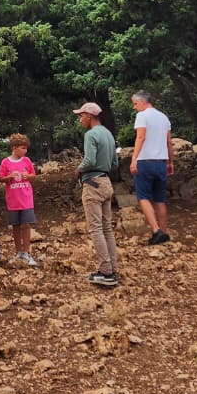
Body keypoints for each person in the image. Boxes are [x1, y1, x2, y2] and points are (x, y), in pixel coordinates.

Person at [74, 101, 119, 287]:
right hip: (106, 181)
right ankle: (112, 268)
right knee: (107, 227)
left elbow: (90, 160)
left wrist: (78, 169)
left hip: (92, 183)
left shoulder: (91, 134)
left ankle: (106, 272)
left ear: (89, 116)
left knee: (96, 228)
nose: (80, 119)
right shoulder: (108, 133)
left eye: (81, 115)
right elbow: (115, 162)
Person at [130, 90, 174, 244]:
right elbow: (169, 142)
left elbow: (140, 137)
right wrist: (170, 162)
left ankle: (156, 231)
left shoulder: (142, 116)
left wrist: (134, 159)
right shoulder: (163, 117)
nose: (135, 107)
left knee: (143, 197)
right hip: (161, 162)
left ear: (143, 102)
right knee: (159, 199)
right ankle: (164, 232)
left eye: (135, 104)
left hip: (145, 161)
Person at [0, 134, 37, 266]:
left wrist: (28, 176)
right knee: (15, 226)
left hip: (26, 199)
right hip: (13, 200)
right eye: (23, 148)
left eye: (26, 148)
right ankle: (18, 251)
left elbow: (33, 175)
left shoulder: (27, 161)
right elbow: (1, 178)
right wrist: (9, 177)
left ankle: (27, 252)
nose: (25, 151)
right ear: (14, 148)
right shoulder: (5, 162)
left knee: (26, 225)